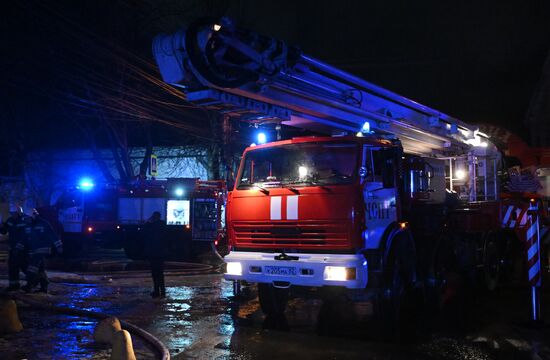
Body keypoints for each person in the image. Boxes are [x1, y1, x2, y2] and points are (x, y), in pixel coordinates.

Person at [21, 209, 63, 293]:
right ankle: (44, 286)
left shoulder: (43, 223)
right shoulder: (28, 225)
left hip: (42, 249)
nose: (27, 220)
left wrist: (59, 246)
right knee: (40, 269)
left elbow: (52, 235)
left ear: (33, 216)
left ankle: (29, 285)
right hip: (33, 250)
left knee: (32, 268)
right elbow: (25, 238)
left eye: (28, 218)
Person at [0, 205, 30, 291]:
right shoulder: (11, 220)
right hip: (13, 247)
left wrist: (20, 245)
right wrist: (1, 226)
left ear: (19, 212)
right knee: (12, 266)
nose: (12, 214)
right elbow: (4, 230)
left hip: (24, 248)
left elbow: (27, 235)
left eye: (14, 213)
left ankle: (32, 283)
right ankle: (14, 285)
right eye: (11, 213)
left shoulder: (26, 220)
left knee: (25, 266)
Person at [144, 211, 166, 298]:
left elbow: (145, 231)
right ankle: (162, 291)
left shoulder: (151, 226)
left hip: (153, 253)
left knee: (155, 273)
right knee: (160, 273)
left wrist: (149, 220)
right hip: (160, 253)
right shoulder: (162, 225)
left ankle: (156, 291)